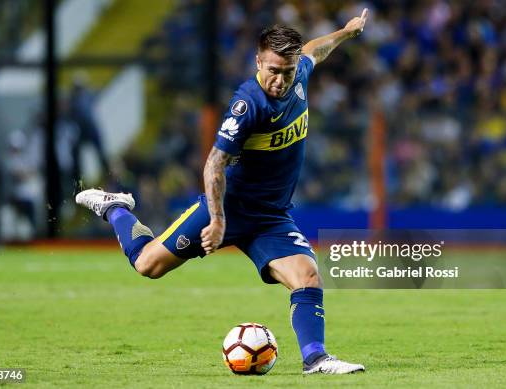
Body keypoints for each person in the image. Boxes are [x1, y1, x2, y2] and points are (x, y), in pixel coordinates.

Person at [76, 9, 369, 375]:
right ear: (258, 62)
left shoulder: (299, 76)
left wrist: (345, 31)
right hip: (230, 208)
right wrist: (217, 220)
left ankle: (316, 359)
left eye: (287, 72)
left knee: (308, 277)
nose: (279, 81)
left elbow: (315, 49)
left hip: (271, 215)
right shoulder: (248, 106)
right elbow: (214, 164)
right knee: (147, 266)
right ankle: (115, 208)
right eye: (272, 71)